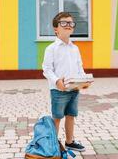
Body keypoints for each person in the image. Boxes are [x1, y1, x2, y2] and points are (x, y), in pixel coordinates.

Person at [42, 12, 90, 152]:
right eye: (64, 23)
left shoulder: (75, 48)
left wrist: (84, 80)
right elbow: (46, 69)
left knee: (71, 115)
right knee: (57, 117)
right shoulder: (51, 48)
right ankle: (53, 144)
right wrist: (57, 81)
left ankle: (69, 142)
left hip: (74, 89)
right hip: (59, 90)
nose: (68, 25)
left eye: (71, 23)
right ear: (56, 29)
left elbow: (79, 67)